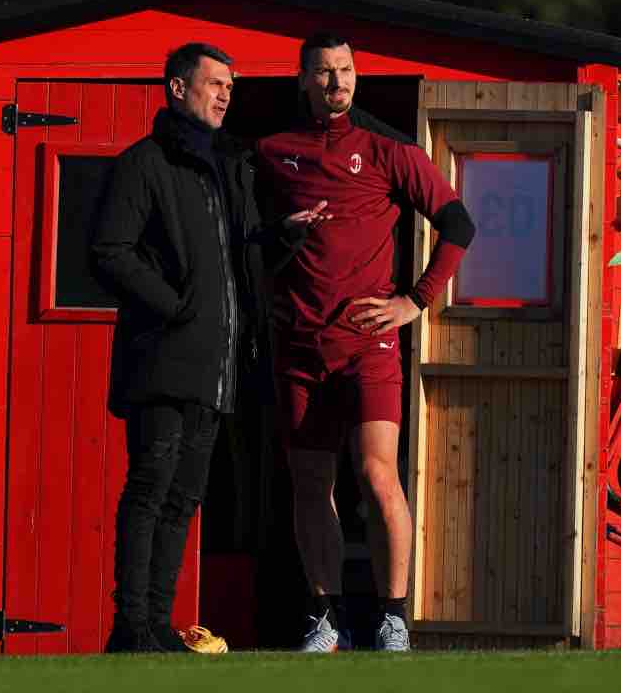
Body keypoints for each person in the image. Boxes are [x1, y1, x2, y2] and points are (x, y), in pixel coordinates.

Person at [90, 43, 327, 653]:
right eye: (215, 82)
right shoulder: (144, 165)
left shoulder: (229, 168)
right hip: (161, 361)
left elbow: (241, 262)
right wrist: (175, 308)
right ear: (176, 88)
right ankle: (130, 629)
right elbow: (108, 253)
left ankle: (156, 628)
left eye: (231, 85)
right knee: (149, 489)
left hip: (218, 368)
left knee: (183, 501)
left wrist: (284, 238)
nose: (226, 94)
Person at [255, 32, 475, 652]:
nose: (336, 83)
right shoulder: (272, 152)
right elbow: (248, 239)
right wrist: (278, 236)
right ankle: (323, 619)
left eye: (346, 71)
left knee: (379, 474)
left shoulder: (388, 149)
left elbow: (459, 223)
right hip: (298, 344)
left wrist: (416, 300)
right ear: (302, 79)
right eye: (324, 72)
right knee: (309, 485)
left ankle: (393, 616)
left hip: (368, 342)